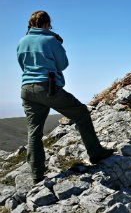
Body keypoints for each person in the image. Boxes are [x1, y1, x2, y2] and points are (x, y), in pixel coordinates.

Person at [17, 10, 114, 183]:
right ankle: (96, 153)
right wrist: (58, 45)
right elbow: (63, 64)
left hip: (26, 90)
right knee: (81, 113)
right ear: (47, 24)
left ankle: (37, 175)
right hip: (48, 87)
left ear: (31, 24)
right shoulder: (50, 39)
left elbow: (22, 65)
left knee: (34, 132)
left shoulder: (22, 41)